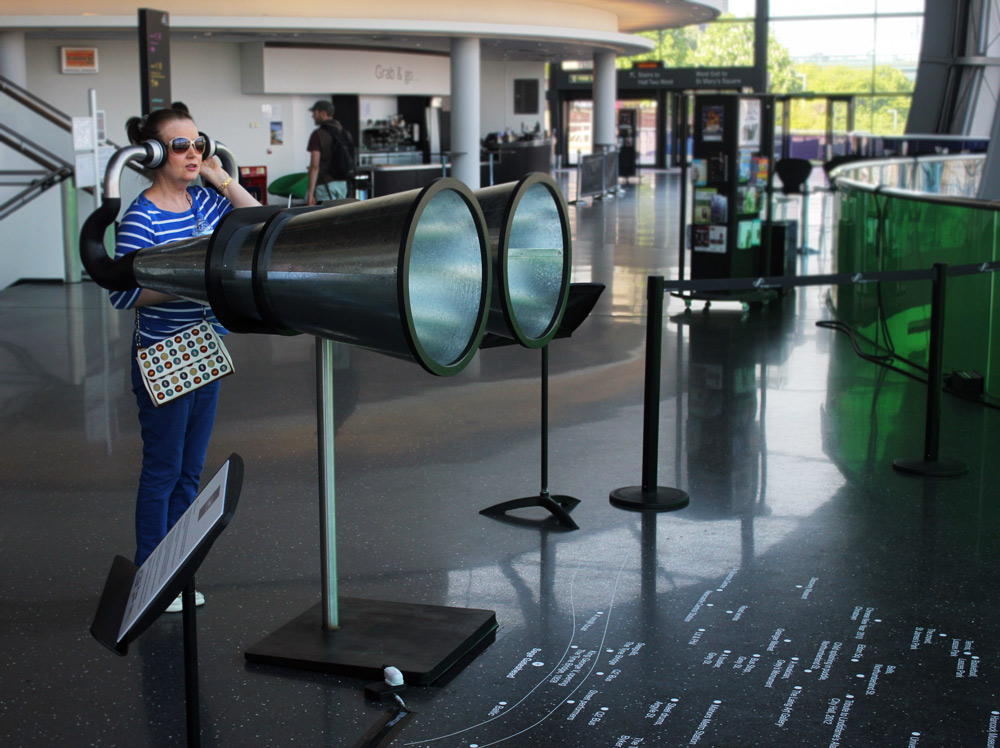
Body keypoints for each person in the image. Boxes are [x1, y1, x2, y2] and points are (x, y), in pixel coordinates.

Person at [110, 106, 260, 610]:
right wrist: (188, 279)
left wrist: (219, 177)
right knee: (163, 471)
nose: (193, 153)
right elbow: (123, 295)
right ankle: (149, 574)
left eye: (199, 143)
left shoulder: (204, 203)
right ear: (154, 155)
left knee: (191, 472)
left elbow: (254, 220)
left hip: (204, 351)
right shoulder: (141, 215)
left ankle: (176, 571)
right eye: (180, 145)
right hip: (162, 356)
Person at [306, 100, 355, 204]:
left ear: (323, 113)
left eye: (314, 113)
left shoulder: (318, 135)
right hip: (343, 184)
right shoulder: (346, 133)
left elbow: (314, 166)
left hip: (325, 185)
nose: (313, 116)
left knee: (325, 218)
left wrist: (310, 193)